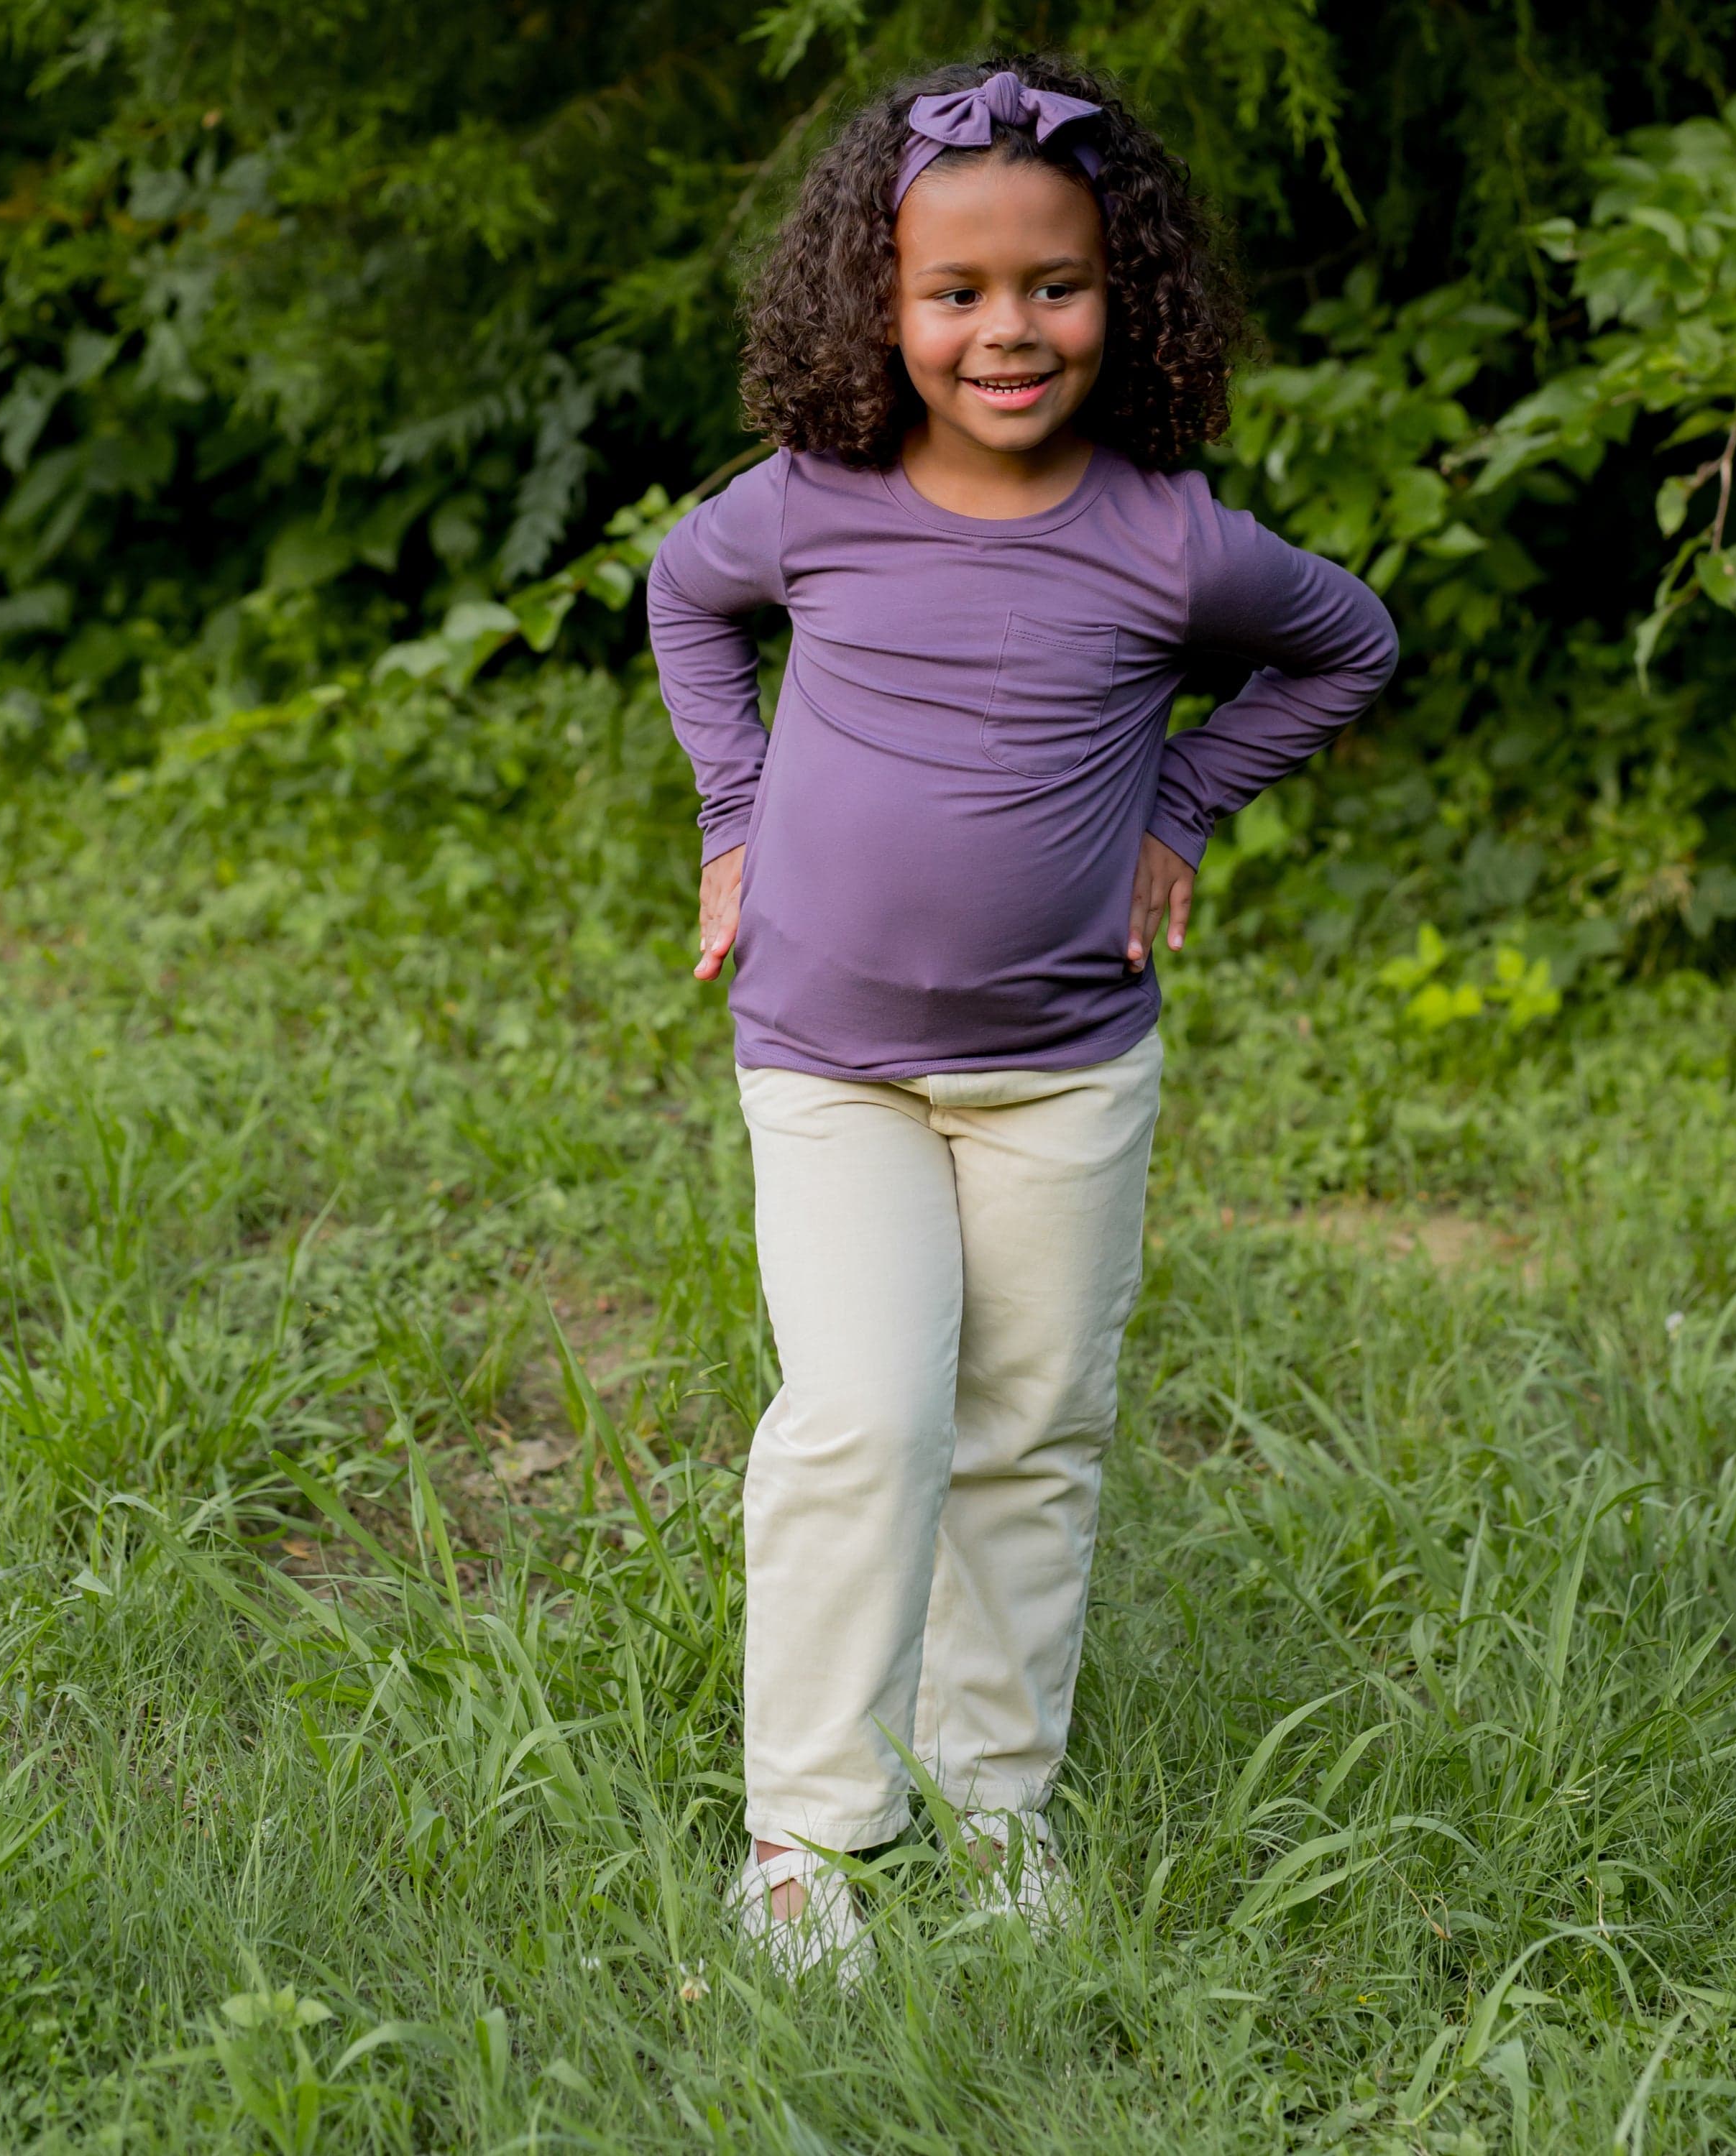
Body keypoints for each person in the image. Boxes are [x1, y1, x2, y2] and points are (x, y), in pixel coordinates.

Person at [646, 54, 1398, 1979]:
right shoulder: (812, 504)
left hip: (1064, 1072)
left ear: (1122, 295)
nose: (1008, 329)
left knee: (1030, 1431)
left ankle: (995, 1810)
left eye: (1055, 285)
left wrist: (1186, 798)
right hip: (830, 1064)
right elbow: (683, 599)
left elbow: (1349, 646)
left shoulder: (1170, 538)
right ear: (877, 305)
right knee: (863, 1419)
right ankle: (808, 1833)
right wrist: (734, 816)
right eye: (957, 291)